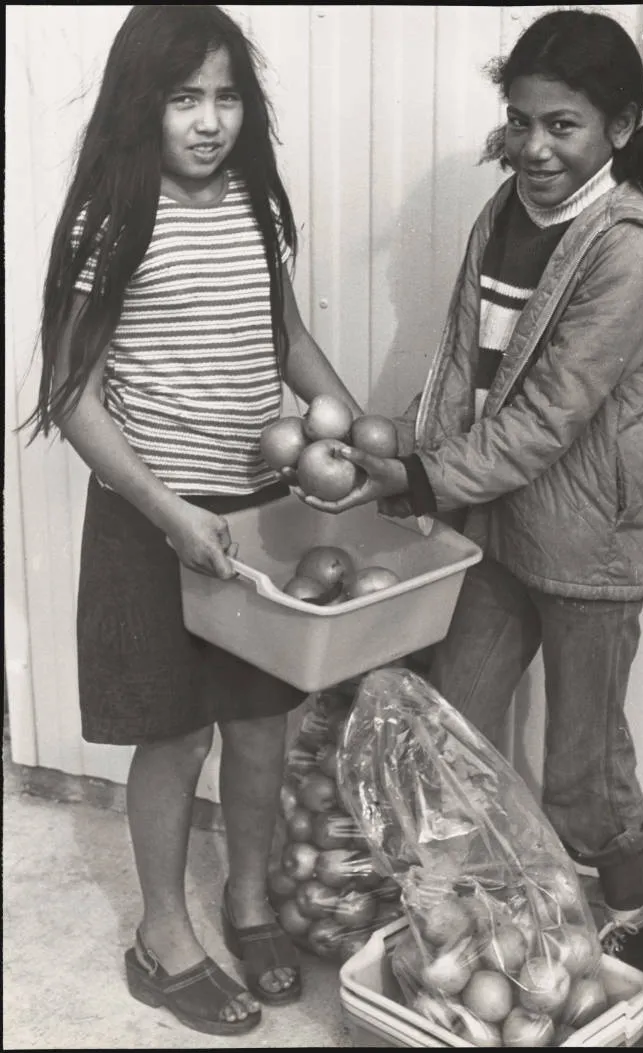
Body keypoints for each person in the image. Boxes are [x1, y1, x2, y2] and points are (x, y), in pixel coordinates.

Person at [296, 9, 643, 975]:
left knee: (583, 766)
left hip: (583, 544)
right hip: (492, 525)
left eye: (561, 125)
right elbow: (463, 367)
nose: (533, 147)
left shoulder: (631, 251)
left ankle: (625, 921)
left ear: (618, 126)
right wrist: (409, 451)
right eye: (519, 121)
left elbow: (546, 417)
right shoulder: (505, 212)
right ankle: (481, 918)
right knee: (455, 726)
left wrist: (427, 474)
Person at [23, 4, 362, 1036]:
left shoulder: (256, 206)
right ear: (144, 105)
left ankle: (248, 902)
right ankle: (161, 938)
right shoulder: (111, 222)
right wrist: (169, 512)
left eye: (224, 97)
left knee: (261, 727)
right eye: (184, 98)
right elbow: (74, 397)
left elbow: (285, 333)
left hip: (253, 517)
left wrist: (345, 433)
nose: (209, 120)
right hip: (149, 521)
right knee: (170, 737)